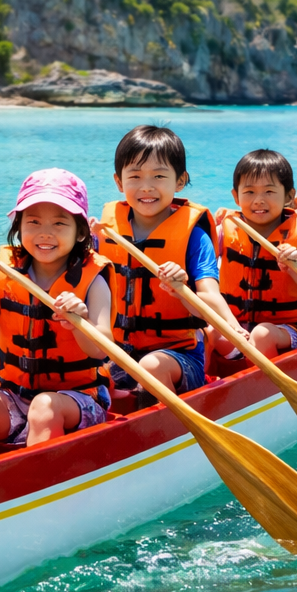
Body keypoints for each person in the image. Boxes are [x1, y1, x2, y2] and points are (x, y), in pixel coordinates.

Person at [0, 169, 113, 463]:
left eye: (59, 223)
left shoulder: (93, 281)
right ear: (18, 227)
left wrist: (80, 321)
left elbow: (102, 349)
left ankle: (35, 481)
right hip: (12, 394)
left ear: (80, 232)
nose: (45, 232)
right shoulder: (4, 271)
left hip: (78, 400)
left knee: (44, 406)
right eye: (33, 222)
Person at [96, 124, 241, 398]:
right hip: (119, 355)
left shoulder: (194, 237)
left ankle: (152, 427)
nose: (146, 187)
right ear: (119, 182)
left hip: (178, 358)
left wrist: (184, 290)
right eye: (135, 177)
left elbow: (208, 299)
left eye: (159, 176)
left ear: (179, 181)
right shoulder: (105, 230)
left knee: (151, 366)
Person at [217, 149, 297, 357]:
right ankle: (203, 383)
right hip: (237, 327)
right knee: (207, 329)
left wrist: (296, 269)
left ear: (289, 195)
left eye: (269, 191)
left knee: (262, 334)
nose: (258, 200)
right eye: (249, 192)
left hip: (287, 332)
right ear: (236, 196)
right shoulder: (224, 231)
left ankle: (261, 387)